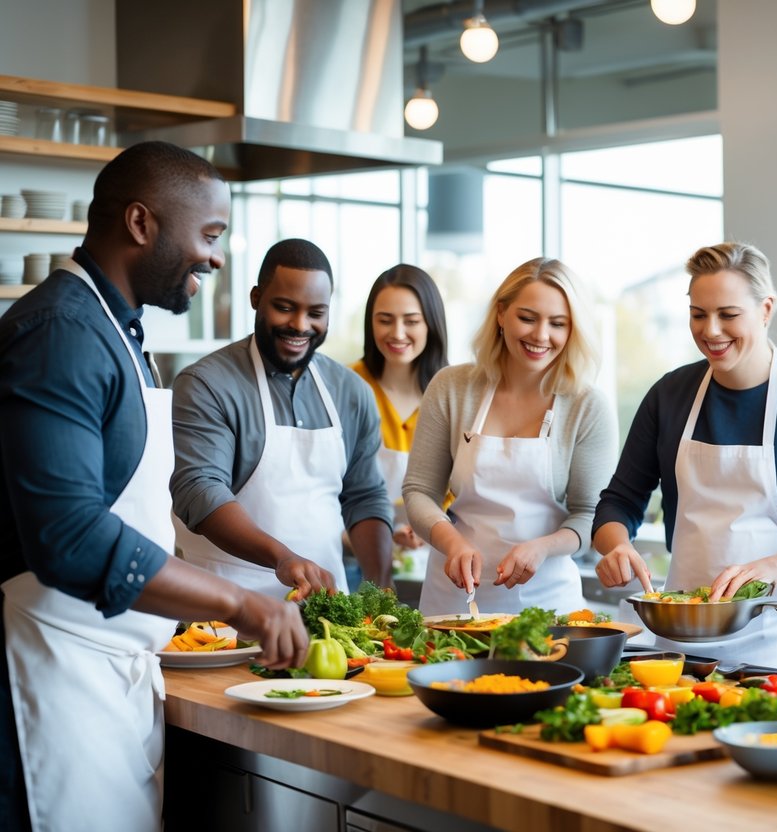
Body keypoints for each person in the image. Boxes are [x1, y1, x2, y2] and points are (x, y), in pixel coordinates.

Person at [0, 141, 308, 832]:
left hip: (107, 672)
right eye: (208, 234)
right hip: (50, 670)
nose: (216, 256)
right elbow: (68, 537)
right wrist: (241, 605)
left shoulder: (116, 332)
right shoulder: (61, 334)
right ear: (141, 224)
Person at [593, 242, 777, 673]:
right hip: (679, 642)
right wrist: (617, 545)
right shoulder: (670, 395)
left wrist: (773, 566)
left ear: (766, 308)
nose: (711, 331)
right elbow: (619, 501)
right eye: (698, 314)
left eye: (728, 315)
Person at [171, 239, 393, 598]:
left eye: (316, 313)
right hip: (223, 612)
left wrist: (381, 586)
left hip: (326, 613)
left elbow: (365, 496)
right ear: (256, 298)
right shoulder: (206, 384)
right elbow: (200, 491)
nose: (300, 325)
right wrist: (283, 558)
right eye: (285, 307)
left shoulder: (351, 392)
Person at [403, 257, 616, 615]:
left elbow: (589, 514)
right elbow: (420, 491)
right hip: (453, 596)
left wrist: (543, 547)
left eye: (558, 324)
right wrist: (451, 542)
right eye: (527, 318)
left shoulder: (587, 406)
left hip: (547, 601)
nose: (541, 335)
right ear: (501, 314)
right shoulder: (452, 388)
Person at [350, 264, 449, 551]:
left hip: (441, 557)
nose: (397, 333)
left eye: (411, 321)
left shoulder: (454, 392)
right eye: (385, 320)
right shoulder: (348, 386)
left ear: (430, 322)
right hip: (358, 552)